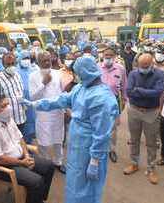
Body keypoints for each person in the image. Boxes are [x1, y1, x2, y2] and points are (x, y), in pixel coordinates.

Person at [23, 56, 118, 203]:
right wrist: (36, 104)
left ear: (85, 72)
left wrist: (95, 160)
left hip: (90, 150)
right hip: (77, 147)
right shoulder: (81, 88)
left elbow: (102, 134)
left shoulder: (102, 98)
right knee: (74, 182)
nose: (75, 77)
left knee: (87, 188)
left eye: (77, 73)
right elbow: (61, 100)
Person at [0, 95, 55, 203]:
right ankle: (36, 197)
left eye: (8, 104)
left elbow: (20, 139)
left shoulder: (8, 120)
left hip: (21, 158)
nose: (8, 108)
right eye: (3, 106)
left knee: (49, 166)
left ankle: (39, 198)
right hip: (5, 166)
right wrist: (22, 163)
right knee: (37, 181)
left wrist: (26, 156)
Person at [124, 53, 164, 185]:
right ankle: (134, 163)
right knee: (134, 140)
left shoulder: (161, 74)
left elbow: (158, 92)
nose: (143, 68)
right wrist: (147, 92)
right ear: (137, 64)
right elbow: (129, 91)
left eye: (146, 66)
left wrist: (138, 90)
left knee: (151, 142)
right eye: (141, 66)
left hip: (151, 112)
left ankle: (151, 168)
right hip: (134, 110)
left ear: (152, 63)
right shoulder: (133, 74)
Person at [29, 51, 66, 174]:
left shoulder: (58, 73)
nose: (47, 63)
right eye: (44, 60)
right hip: (43, 114)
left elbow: (63, 93)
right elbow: (33, 97)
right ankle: (45, 163)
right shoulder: (33, 76)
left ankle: (58, 162)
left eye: (48, 60)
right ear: (38, 62)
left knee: (58, 139)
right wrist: (43, 84)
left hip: (58, 112)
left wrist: (66, 108)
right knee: (43, 141)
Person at [100, 46, 127, 163]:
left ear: (115, 57)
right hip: (99, 101)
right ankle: (100, 149)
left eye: (111, 56)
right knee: (99, 125)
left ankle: (112, 150)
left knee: (113, 127)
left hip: (114, 101)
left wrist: (125, 99)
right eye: (106, 56)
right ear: (103, 56)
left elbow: (124, 85)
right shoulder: (97, 68)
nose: (108, 58)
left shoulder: (120, 69)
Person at [0, 52, 27, 130]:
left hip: (21, 118)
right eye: (8, 64)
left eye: (13, 63)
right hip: (9, 123)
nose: (11, 66)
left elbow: (21, 94)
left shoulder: (17, 75)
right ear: (3, 65)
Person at [17, 50, 38, 143]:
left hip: (32, 101)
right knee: (22, 127)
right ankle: (24, 147)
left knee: (31, 125)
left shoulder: (33, 70)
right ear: (20, 60)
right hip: (21, 103)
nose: (26, 60)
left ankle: (29, 147)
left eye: (27, 58)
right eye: (24, 58)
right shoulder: (16, 72)